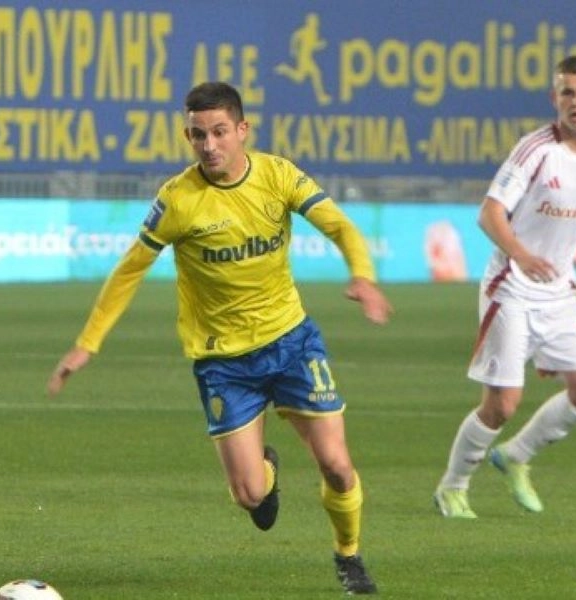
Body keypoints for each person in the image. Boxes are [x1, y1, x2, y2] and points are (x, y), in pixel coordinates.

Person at [46, 81, 391, 595]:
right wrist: (87, 342)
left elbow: (339, 226)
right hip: (223, 363)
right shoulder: (178, 199)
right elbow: (129, 270)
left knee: (338, 466)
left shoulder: (278, 175)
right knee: (250, 496)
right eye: (197, 135)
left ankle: (349, 555)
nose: (208, 145)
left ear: (242, 130)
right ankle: (265, 471)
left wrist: (362, 276)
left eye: (219, 132)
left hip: (290, 342)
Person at [433, 55, 576, 519]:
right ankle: (452, 487)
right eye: (567, 92)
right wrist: (520, 253)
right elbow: (489, 213)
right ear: (554, 97)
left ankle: (516, 455)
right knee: (502, 404)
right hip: (512, 288)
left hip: (559, 291)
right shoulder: (535, 150)